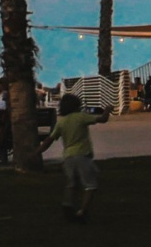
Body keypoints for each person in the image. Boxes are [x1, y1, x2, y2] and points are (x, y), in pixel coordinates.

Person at [39, 92, 111, 223]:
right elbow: (102, 119)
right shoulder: (81, 117)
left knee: (71, 184)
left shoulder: (61, 122)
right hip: (83, 155)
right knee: (90, 185)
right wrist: (107, 110)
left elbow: (50, 139)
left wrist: (38, 151)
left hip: (68, 157)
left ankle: (67, 205)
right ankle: (82, 211)